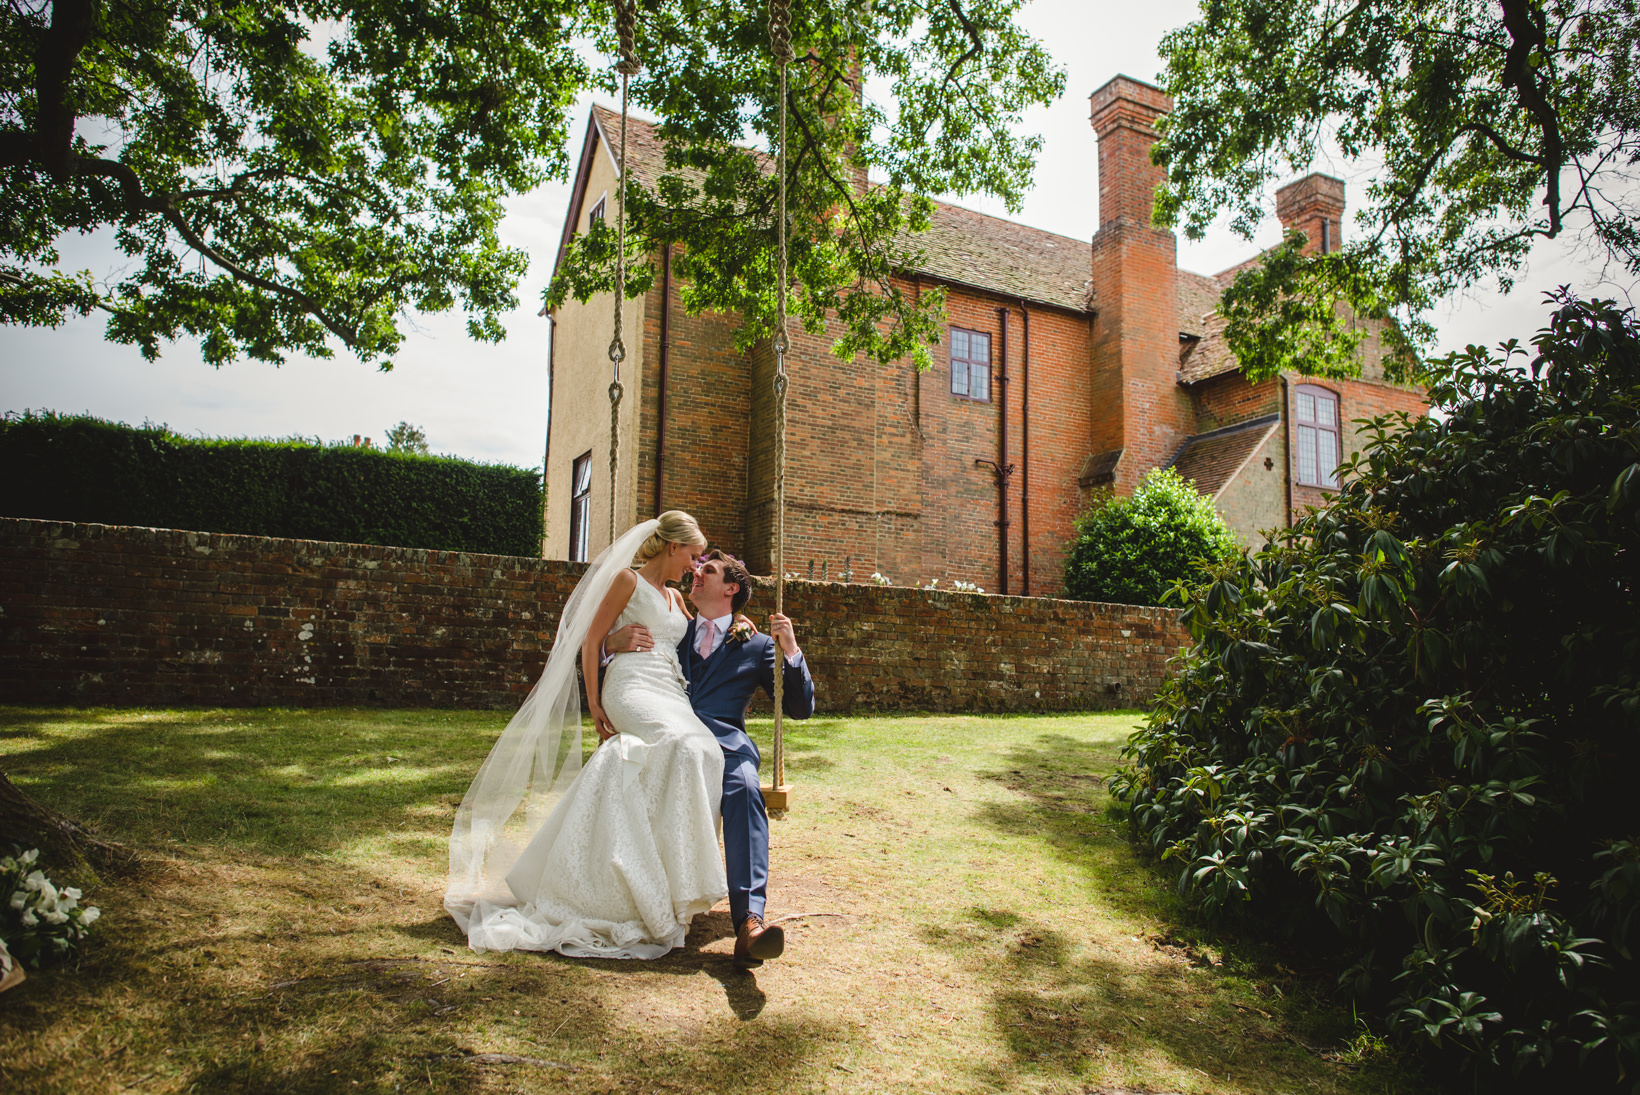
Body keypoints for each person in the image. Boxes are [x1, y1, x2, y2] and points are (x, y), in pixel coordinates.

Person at [444, 511, 728, 959]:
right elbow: (590, 639)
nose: (695, 566)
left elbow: (704, 632)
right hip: (631, 687)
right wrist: (595, 701)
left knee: (705, 750)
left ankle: (672, 878)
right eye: (694, 556)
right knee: (681, 744)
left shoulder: (677, 600)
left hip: (670, 691)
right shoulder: (626, 582)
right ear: (673, 547)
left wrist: (744, 624)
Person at [606, 548, 814, 967]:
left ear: (732, 589)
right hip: (668, 737)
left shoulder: (755, 645)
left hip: (725, 745)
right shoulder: (673, 630)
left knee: (744, 790)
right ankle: (639, 898)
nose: (696, 575)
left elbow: (799, 707)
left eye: (710, 571)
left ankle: (750, 922)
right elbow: (621, 663)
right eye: (697, 568)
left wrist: (789, 647)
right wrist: (612, 643)